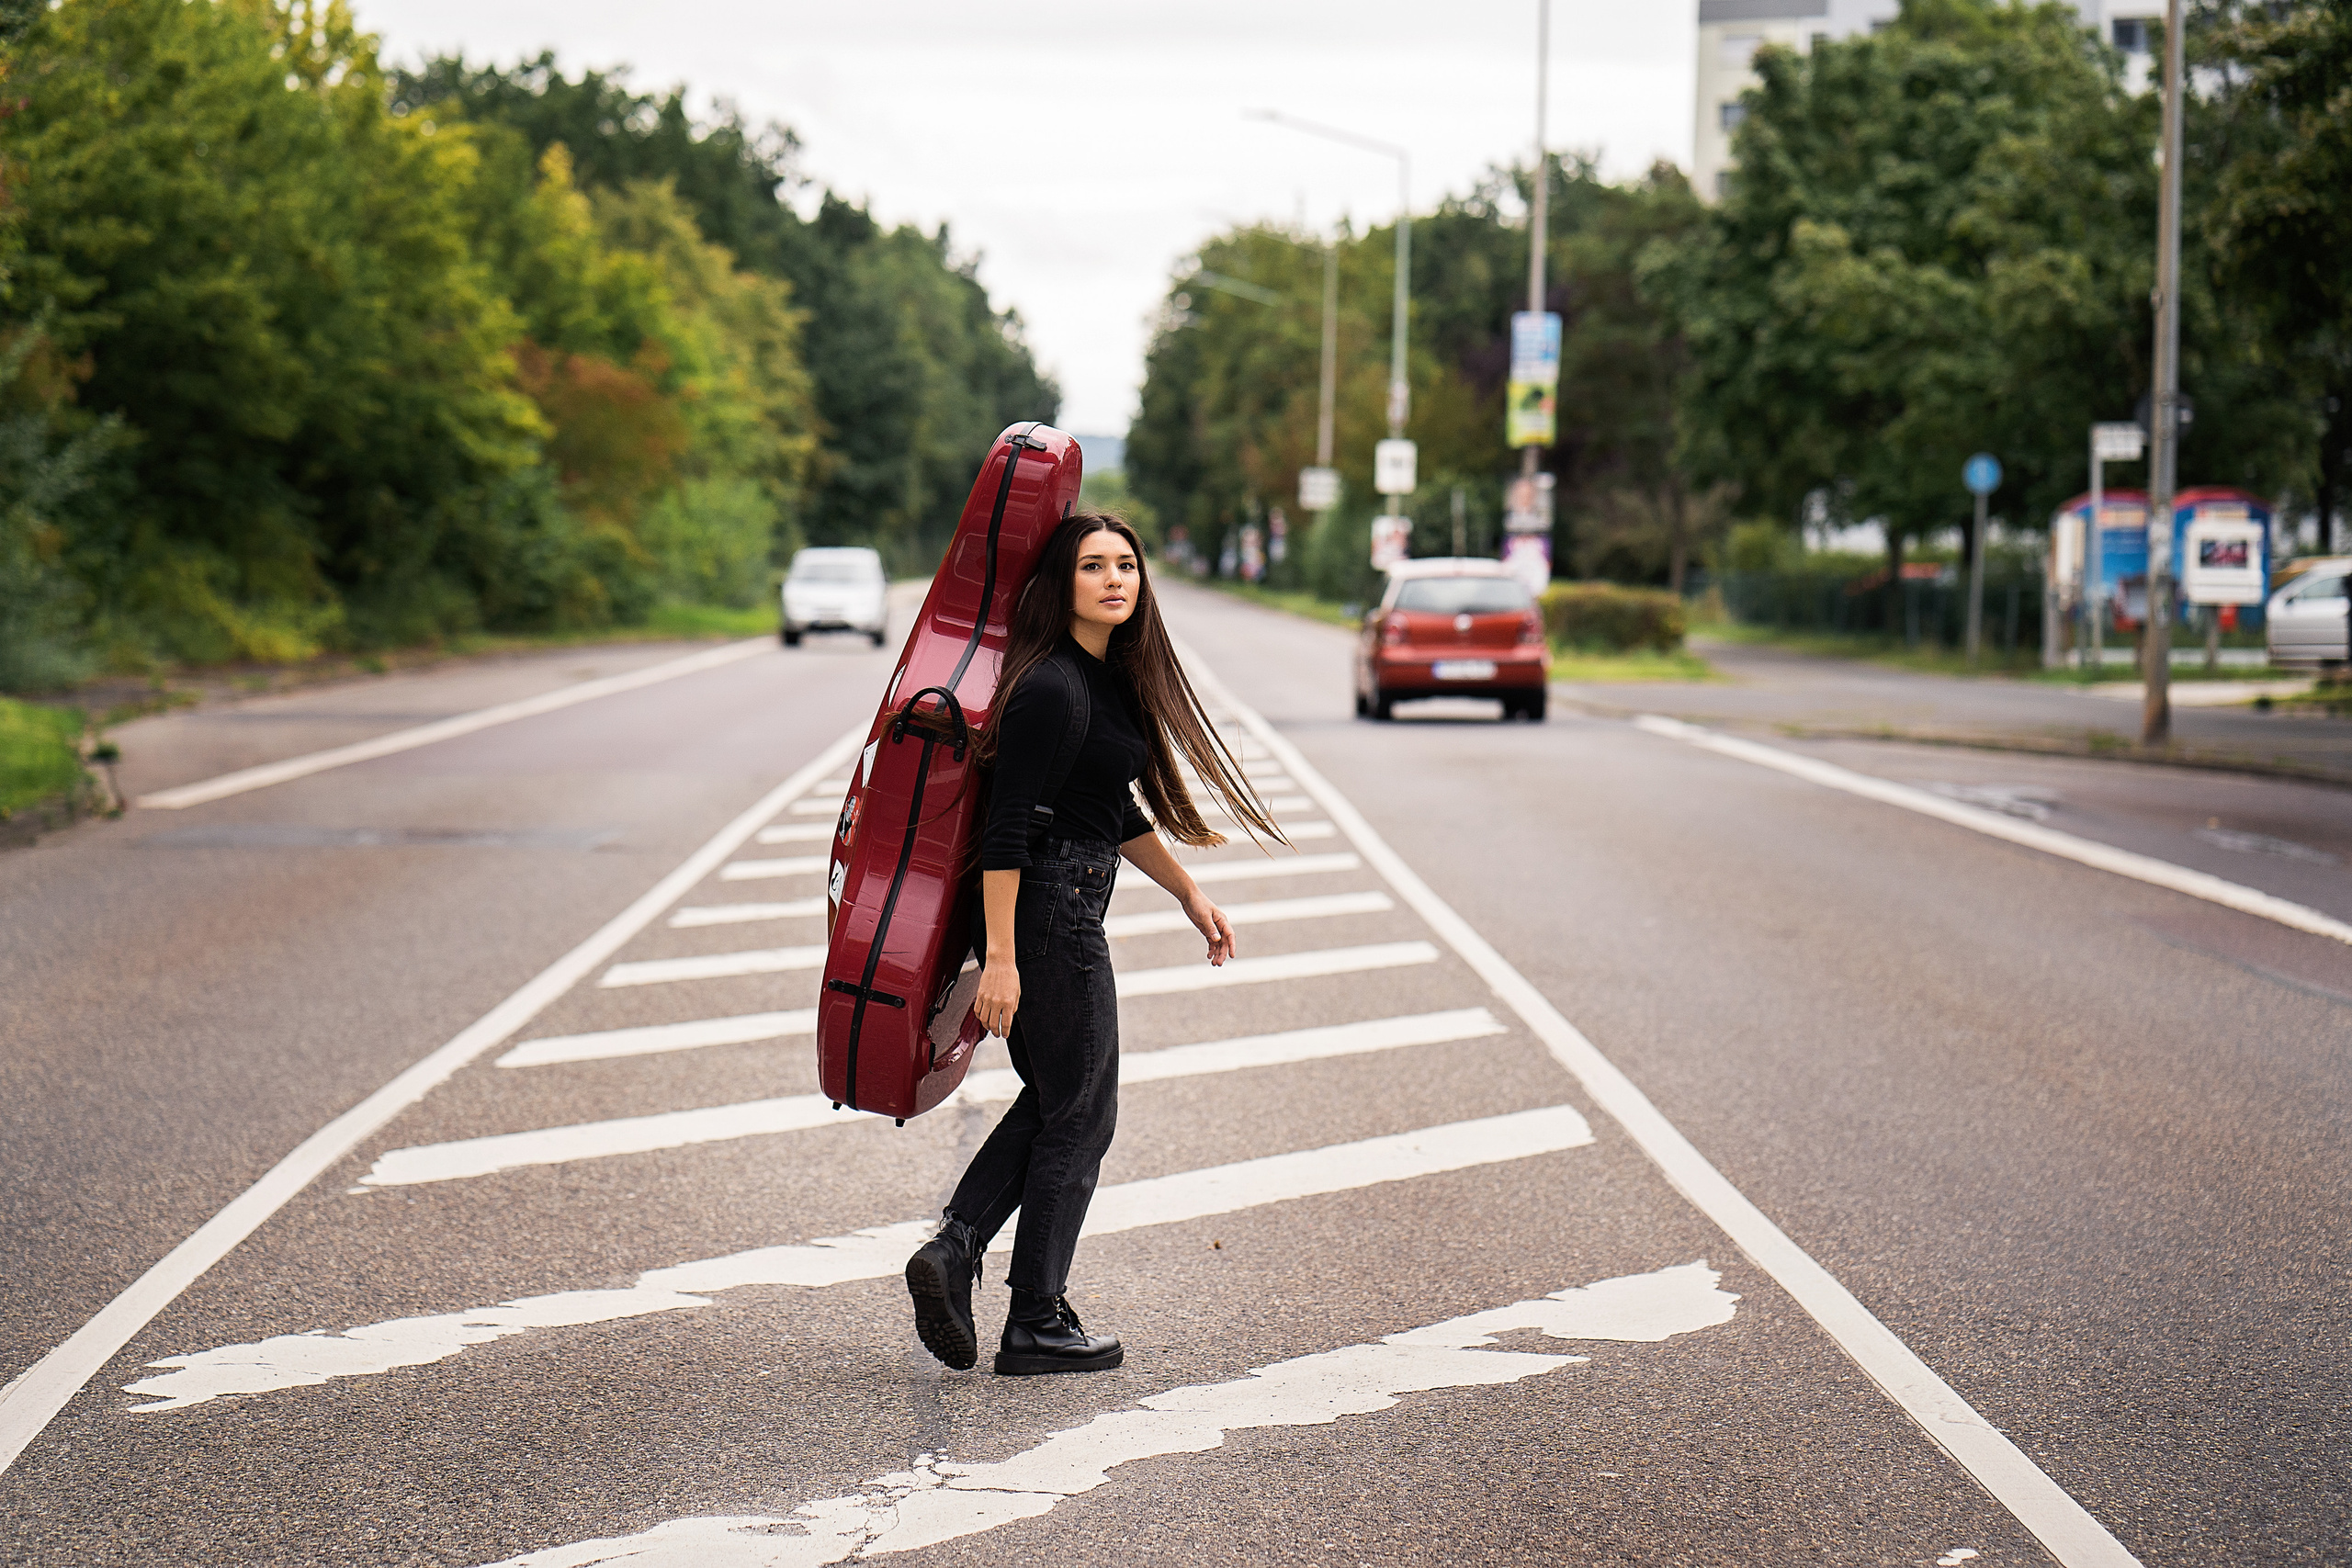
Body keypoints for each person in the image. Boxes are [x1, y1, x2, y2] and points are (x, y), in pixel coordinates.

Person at [904, 513, 1284, 1376]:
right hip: (1048, 910)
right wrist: (1002, 960)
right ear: (1059, 583)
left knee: (1059, 1099)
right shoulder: (1047, 685)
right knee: (1083, 1110)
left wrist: (1189, 892)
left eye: (1126, 565)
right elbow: (1007, 829)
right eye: (1092, 566)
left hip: (1062, 901)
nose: (1115, 579)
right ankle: (1034, 1316)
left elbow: (1111, 808)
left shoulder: (1098, 679)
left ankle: (956, 1250)